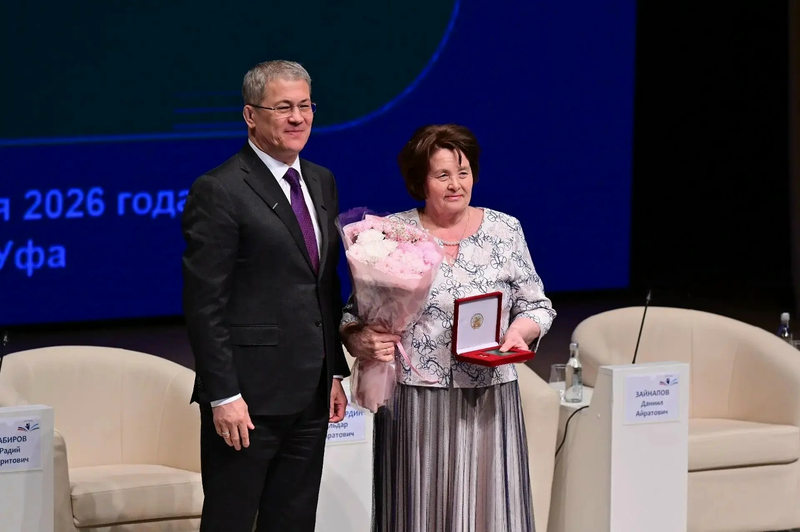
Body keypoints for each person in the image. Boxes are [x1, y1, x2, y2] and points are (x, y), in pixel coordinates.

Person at [340, 124, 556, 532]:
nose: (456, 184)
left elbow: (538, 306)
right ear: (420, 181)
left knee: (489, 510)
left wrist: (520, 331)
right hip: (417, 398)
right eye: (442, 175)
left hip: (490, 395)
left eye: (463, 172)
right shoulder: (391, 234)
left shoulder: (505, 230)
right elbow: (352, 315)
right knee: (420, 511)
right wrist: (360, 339)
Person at [181, 60, 350, 532]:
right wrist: (223, 395)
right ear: (250, 116)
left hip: (312, 392)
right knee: (231, 521)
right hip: (248, 399)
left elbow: (324, 285)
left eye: (305, 106)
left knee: (294, 520)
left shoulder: (321, 180)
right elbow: (204, 304)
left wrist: (335, 371)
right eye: (283, 107)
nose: (297, 118)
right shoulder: (219, 189)